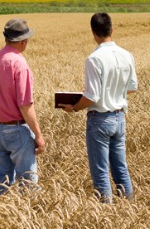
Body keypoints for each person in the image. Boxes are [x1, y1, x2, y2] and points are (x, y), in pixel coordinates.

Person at [59, 12, 138, 203]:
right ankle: (130, 209)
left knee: (101, 171)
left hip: (100, 120)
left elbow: (92, 97)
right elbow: (132, 88)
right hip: (120, 118)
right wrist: (112, 91)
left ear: (93, 33)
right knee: (120, 167)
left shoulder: (94, 59)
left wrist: (75, 107)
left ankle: (105, 215)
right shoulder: (127, 55)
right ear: (112, 29)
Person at [0, 18, 46, 195]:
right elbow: (25, 105)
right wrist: (39, 136)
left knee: (2, 182)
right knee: (28, 183)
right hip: (17, 130)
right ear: (23, 41)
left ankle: (2, 218)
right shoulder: (19, 63)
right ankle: (28, 218)